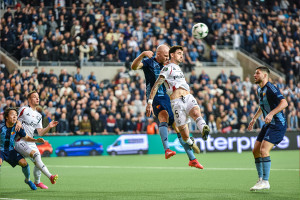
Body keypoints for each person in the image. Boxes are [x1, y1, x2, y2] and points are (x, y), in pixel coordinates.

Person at [131, 44, 203, 169]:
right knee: (163, 116)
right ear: (158, 54)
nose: (167, 57)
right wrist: (142, 54)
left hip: (170, 98)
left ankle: (192, 159)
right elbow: (134, 67)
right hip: (155, 97)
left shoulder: (169, 65)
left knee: (178, 127)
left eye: (168, 55)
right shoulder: (148, 63)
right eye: (165, 55)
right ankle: (167, 149)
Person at [248, 66, 288, 191]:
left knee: (264, 150)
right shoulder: (260, 90)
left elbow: (284, 103)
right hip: (268, 125)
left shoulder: (271, 88)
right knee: (255, 150)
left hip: (277, 124)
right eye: (254, 73)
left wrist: (271, 114)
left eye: (257, 73)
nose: (254, 75)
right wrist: (254, 118)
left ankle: (265, 181)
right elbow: (262, 105)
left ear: (265, 75)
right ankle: (260, 180)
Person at [15, 91, 59, 189]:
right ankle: (51, 177)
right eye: (35, 97)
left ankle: (37, 182)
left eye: (38, 97)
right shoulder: (24, 109)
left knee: (38, 160)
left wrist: (49, 126)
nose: (37, 98)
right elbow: (14, 118)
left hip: (31, 141)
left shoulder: (39, 115)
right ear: (29, 100)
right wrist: (17, 122)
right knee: (35, 155)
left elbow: (40, 132)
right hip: (20, 140)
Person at [0, 107, 46, 190]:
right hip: (0, 150)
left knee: (24, 163)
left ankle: (27, 180)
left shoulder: (18, 127)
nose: (15, 117)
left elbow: (26, 137)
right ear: (6, 117)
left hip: (10, 150)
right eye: (12, 115)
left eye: (16, 115)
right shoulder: (1, 127)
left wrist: (36, 140)